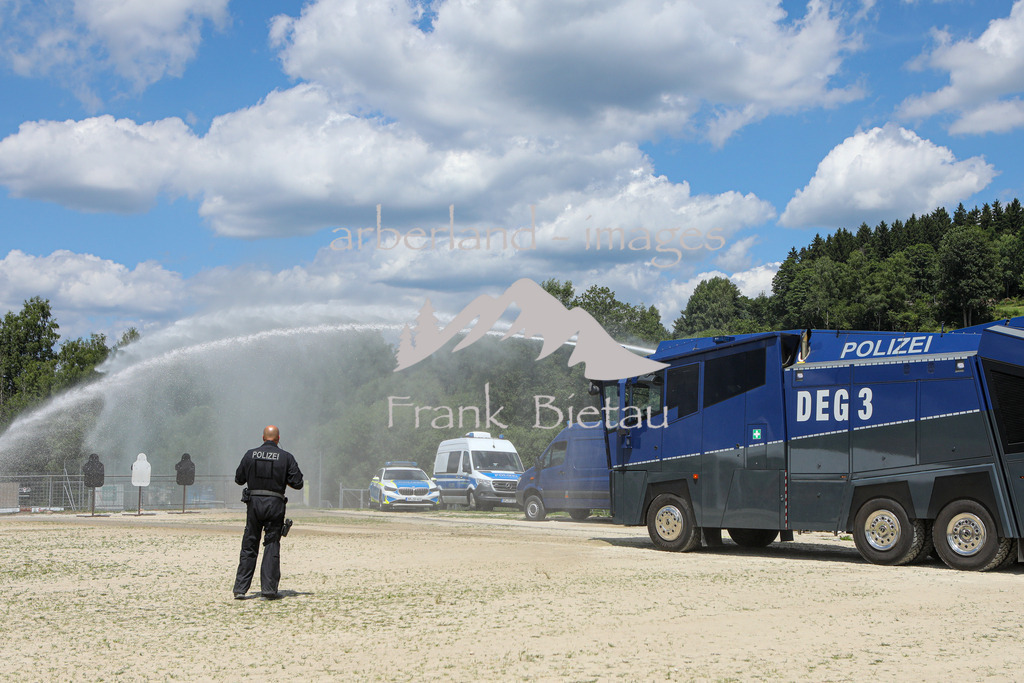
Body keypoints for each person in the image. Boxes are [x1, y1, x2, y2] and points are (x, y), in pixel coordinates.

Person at [232, 425, 303, 599]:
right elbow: (298, 483)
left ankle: (241, 589)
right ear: (278, 439)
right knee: (271, 544)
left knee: (249, 545)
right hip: (275, 504)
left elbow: (239, 479)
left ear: (263, 438)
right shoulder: (286, 457)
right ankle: (269, 590)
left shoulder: (250, 454)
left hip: (254, 504)